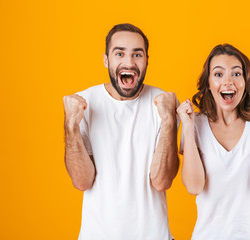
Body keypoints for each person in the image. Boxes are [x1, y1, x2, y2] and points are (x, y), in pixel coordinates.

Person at [63, 23, 179, 240]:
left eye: (137, 54)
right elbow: (82, 181)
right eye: (120, 53)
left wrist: (169, 122)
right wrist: (71, 126)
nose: (129, 62)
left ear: (146, 61)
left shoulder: (163, 103)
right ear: (106, 59)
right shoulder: (85, 103)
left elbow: (162, 181)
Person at [177, 44, 250, 239]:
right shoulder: (195, 124)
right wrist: (187, 128)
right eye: (219, 74)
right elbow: (194, 187)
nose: (228, 81)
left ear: (245, 82)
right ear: (209, 83)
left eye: (236, 74)